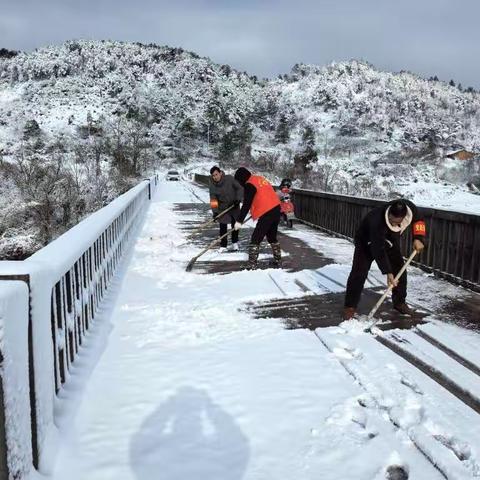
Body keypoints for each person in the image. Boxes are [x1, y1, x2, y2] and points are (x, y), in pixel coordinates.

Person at [343, 199, 426, 320]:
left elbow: (419, 220)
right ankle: (350, 307)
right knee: (359, 272)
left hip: (390, 241)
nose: (393, 224)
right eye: (391, 221)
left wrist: (418, 238)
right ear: (389, 214)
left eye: (397, 222)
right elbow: (378, 250)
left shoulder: (410, 209)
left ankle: (399, 303)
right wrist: (388, 272)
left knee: (400, 269)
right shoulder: (376, 220)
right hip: (366, 242)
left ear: (403, 218)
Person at [233, 167, 282, 269]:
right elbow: (261, 195)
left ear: (242, 178)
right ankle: (278, 260)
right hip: (276, 208)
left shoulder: (249, 184)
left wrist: (239, 221)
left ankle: (252, 264)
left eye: (238, 180)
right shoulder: (258, 178)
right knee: (272, 237)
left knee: (256, 238)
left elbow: (247, 204)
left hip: (267, 212)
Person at [209, 166, 243, 252]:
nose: (215, 177)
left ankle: (235, 243)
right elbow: (213, 200)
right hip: (223, 207)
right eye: (213, 175)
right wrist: (215, 212)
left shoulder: (229, 178)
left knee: (235, 225)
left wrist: (238, 199)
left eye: (216, 174)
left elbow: (240, 188)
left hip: (234, 205)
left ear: (220, 173)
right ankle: (223, 245)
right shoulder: (212, 185)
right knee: (222, 226)